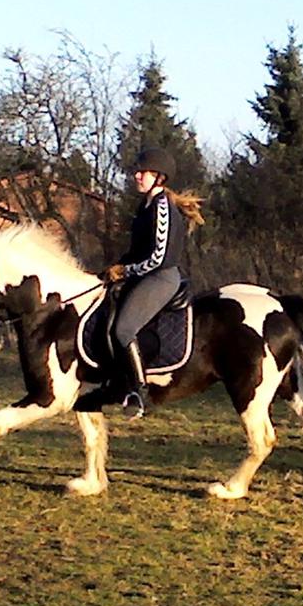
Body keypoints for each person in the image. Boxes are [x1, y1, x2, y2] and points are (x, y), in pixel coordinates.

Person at [91, 147, 189, 419]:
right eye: (137, 171)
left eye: (142, 172)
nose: (136, 175)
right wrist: (111, 270)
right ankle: (113, 380)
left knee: (123, 329)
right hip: (143, 274)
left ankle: (137, 392)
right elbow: (136, 250)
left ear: (159, 177)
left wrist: (125, 271)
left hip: (161, 277)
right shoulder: (144, 207)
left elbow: (157, 257)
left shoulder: (161, 208)